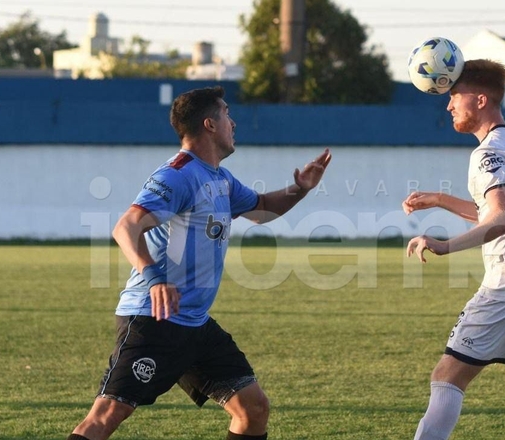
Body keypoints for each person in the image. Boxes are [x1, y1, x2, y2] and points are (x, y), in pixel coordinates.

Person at [66, 86, 331, 440]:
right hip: (154, 318)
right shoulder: (177, 174)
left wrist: (301, 189)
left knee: (253, 408)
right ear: (209, 124)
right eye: (226, 113)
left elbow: (263, 209)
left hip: (194, 324)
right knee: (107, 414)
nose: (233, 122)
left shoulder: (220, 179)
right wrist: (156, 278)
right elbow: (126, 226)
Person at [402, 60, 505, 440]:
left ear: (479, 99)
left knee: (447, 376)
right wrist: (442, 199)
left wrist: (445, 246)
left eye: (454, 96)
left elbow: (504, 219)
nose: (448, 106)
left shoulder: (486, 152)